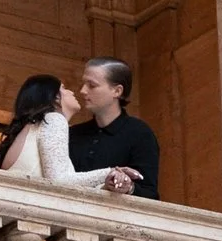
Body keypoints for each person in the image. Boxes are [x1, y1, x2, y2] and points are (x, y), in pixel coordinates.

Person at [0, 73, 137, 190]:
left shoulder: (30, 128)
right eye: (63, 88)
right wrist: (109, 172)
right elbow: (59, 180)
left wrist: (107, 183)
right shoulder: (53, 120)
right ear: (55, 98)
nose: (72, 92)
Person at [67, 57, 160, 200]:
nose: (83, 91)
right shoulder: (74, 133)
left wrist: (129, 187)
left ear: (117, 91)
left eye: (91, 85)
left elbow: (150, 193)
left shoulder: (140, 133)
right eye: (84, 84)